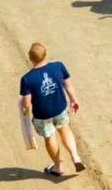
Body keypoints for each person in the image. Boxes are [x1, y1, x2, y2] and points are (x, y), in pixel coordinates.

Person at [18, 43, 83, 177]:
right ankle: (75, 157)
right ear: (45, 54)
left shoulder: (27, 79)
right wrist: (74, 100)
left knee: (50, 137)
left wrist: (23, 106)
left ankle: (58, 167)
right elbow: (68, 86)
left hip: (42, 115)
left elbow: (27, 103)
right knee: (65, 129)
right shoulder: (58, 66)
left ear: (30, 58)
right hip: (60, 108)